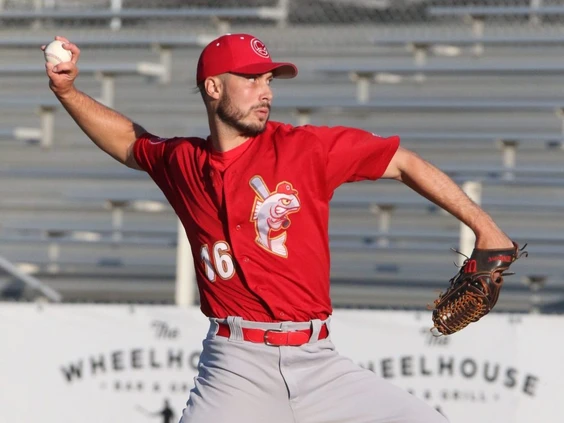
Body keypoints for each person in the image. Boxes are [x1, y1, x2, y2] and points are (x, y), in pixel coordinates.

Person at [43, 33, 513, 423]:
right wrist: (66, 92)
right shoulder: (183, 162)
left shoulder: (305, 149)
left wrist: (485, 228)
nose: (265, 91)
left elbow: (402, 162)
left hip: (319, 363)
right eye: (249, 79)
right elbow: (129, 141)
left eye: (267, 80)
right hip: (235, 367)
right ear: (213, 88)